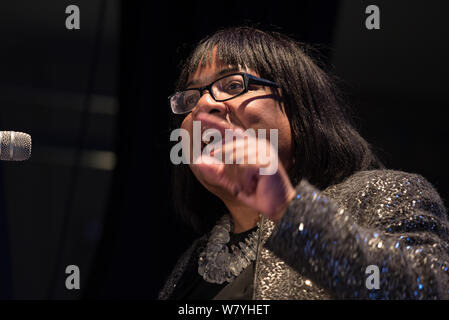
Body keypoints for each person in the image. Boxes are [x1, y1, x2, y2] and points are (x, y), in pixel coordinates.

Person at [158, 26, 449, 300]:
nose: (203, 106)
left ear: (298, 109)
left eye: (233, 84)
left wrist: (287, 208)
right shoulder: (193, 259)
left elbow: (427, 290)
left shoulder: (379, 194)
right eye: (190, 97)